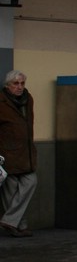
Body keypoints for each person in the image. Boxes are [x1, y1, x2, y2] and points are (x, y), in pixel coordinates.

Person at [0, 70, 37, 238]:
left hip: (26, 151)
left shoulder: (27, 99)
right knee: (11, 189)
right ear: (8, 86)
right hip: (7, 152)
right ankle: (20, 226)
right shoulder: (1, 102)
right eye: (16, 83)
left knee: (30, 182)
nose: (20, 87)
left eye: (22, 83)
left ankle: (9, 220)